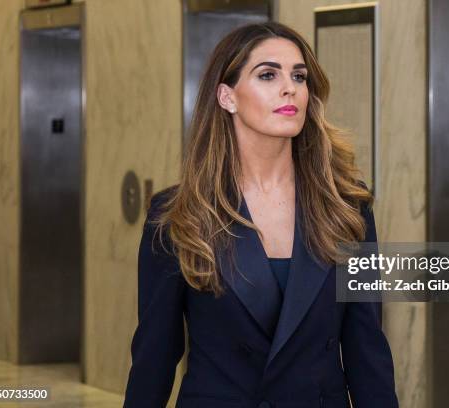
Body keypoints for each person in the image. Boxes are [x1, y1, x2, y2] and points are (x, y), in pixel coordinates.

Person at [123, 21, 399, 408]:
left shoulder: (346, 208)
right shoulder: (179, 215)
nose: (290, 87)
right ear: (227, 97)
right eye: (268, 74)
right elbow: (155, 355)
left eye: (299, 76)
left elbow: (366, 348)